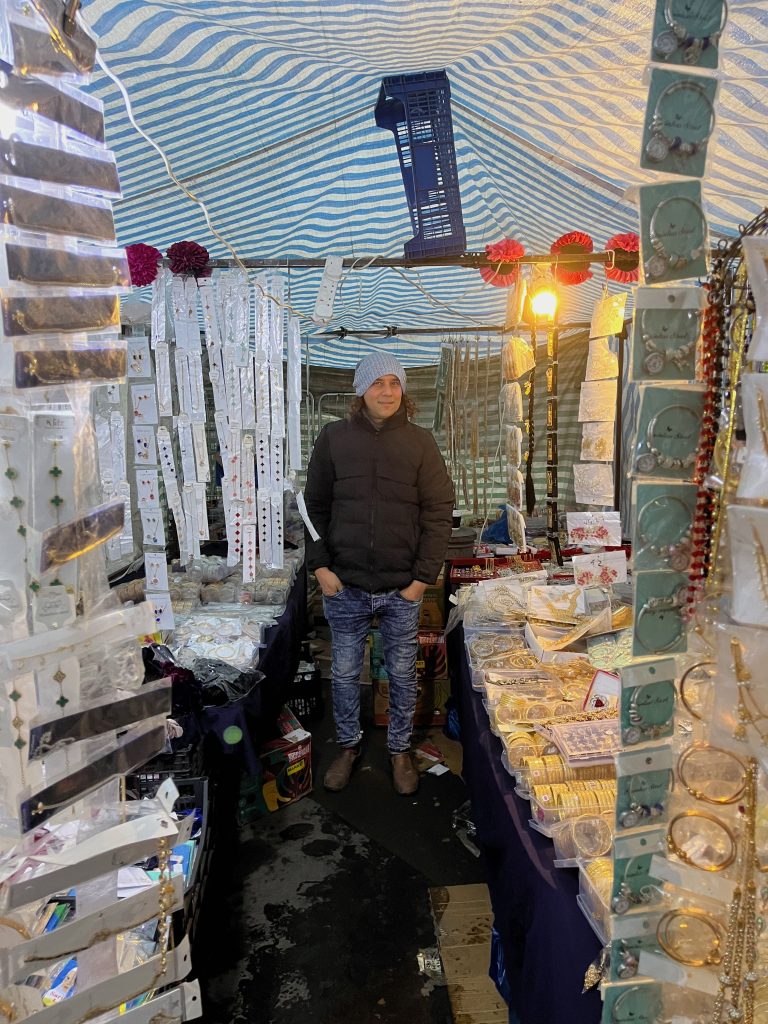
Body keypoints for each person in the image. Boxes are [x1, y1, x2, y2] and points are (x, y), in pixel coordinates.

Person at [303, 352, 454, 795]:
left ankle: (400, 750)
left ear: (403, 391)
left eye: (394, 382)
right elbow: (312, 508)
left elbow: (439, 511)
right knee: (347, 674)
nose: (386, 391)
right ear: (360, 391)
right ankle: (348, 746)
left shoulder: (420, 443)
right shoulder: (332, 438)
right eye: (376, 383)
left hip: (400, 588)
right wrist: (321, 566)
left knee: (403, 675)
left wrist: (421, 580)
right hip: (343, 585)